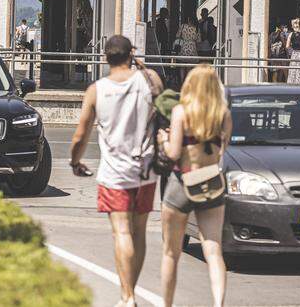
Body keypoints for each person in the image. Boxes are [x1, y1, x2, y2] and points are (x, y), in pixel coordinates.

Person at [69, 35, 164, 307]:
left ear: (105, 57)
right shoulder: (148, 80)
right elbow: (160, 89)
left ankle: (127, 296)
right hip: (145, 168)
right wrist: (140, 65)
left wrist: (76, 161)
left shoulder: (97, 90)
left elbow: (80, 134)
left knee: (121, 232)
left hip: (114, 172)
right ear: (130, 54)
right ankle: (130, 290)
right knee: (139, 232)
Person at [158, 65, 232, 307]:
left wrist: (164, 139)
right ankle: (218, 303)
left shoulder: (181, 112)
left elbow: (173, 153)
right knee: (213, 249)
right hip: (210, 181)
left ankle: (167, 303)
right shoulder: (223, 114)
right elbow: (223, 149)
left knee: (171, 252)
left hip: (182, 181)